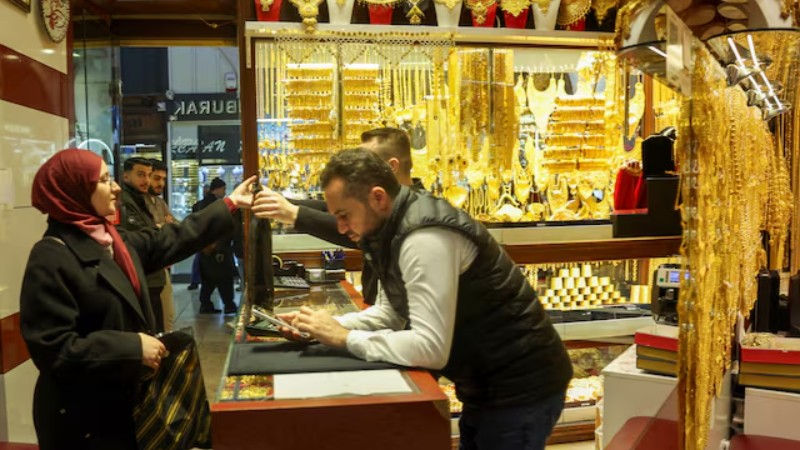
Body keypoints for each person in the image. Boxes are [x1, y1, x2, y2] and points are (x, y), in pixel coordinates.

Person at [269, 148, 573, 450]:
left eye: (344, 215)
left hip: (520, 386)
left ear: (378, 198)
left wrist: (345, 337)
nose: (340, 228)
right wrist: (322, 327)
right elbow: (389, 314)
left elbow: (430, 348)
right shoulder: (389, 230)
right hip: (484, 383)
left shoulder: (423, 236)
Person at [19, 149, 255, 450]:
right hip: (84, 420)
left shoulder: (111, 239)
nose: (116, 187)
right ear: (75, 190)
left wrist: (230, 203)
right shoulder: (51, 256)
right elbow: (53, 348)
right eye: (104, 180)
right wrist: (132, 347)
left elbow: (172, 238)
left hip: (123, 405)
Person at [252, 128, 419, 305]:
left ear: (391, 167)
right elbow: (330, 209)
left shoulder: (413, 215)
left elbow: (362, 232)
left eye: (365, 164)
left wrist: (294, 214)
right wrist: (278, 202)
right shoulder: (394, 203)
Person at [118, 157, 167, 332]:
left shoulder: (142, 200)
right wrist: (159, 228)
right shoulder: (124, 202)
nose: (146, 180)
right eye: (140, 175)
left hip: (151, 276)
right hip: (142, 278)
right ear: (126, 176)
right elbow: (141, 239)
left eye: (148, 175)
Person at [195, 177, 239, 314]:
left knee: (209, 279)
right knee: (224, 279)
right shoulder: (218, 205)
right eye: (223, 189)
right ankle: (229, 304)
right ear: (217, 189)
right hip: (218, 248)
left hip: (205, 249)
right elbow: (222, 227)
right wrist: (220, 244)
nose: (225, 192)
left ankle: (206, 304)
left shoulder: (200, 204)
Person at [146, 159, 177, 331]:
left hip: (161, 267)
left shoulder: (159, 203)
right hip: (147, 270)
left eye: (163, 179)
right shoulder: (136, 203)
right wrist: (164, 226)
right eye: (156, 178)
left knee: (167, 317)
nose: (161, 184)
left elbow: (174, 226)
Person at [187, 184, 210, 290]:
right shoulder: (201, 205)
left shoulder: (199, 205)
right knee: (199, 259)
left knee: (198, 260)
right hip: (203, 236)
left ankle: (195, 281)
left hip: (201, 235)